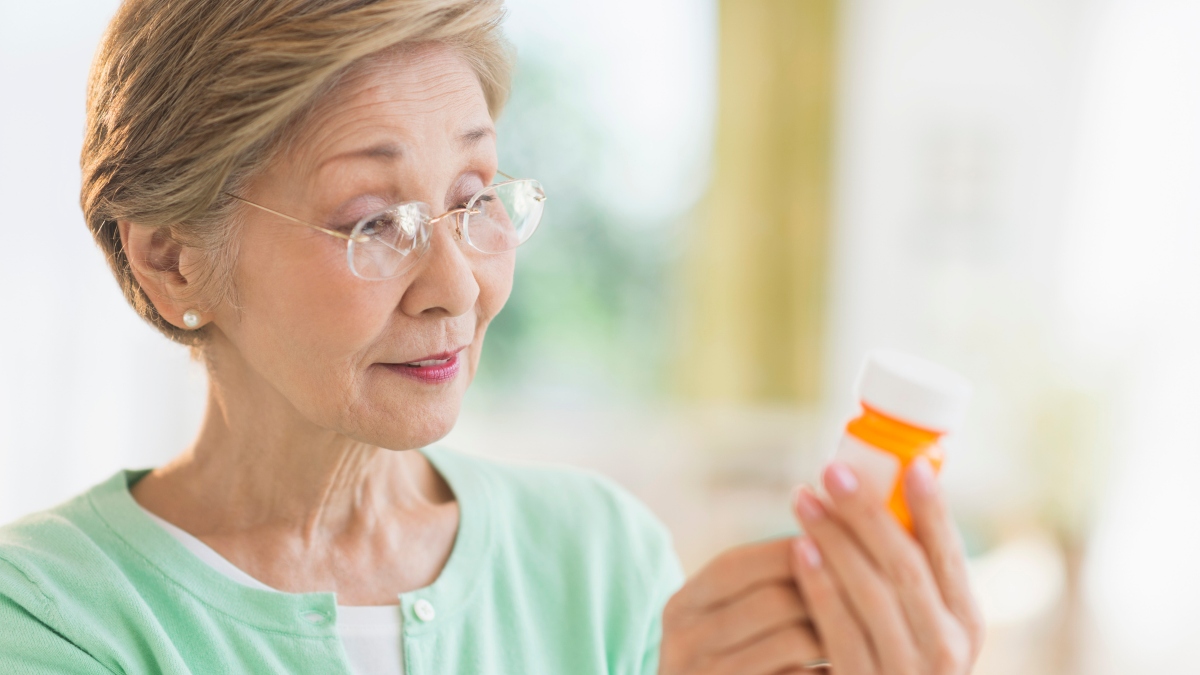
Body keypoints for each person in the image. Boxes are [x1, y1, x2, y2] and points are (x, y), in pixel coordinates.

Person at [0, 1, 983, 673]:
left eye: (474, 197)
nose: (457, 285)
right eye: (372, 220)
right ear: (173, 259)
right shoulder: (49, 613)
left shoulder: (601, 558)